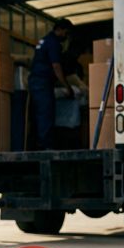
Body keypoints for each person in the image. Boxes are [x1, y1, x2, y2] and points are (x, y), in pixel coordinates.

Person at [28, 19, 74, 150]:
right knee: (45, 114)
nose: (66, 36)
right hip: (42, 83)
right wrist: (67, 87)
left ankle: (38, 146)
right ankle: (46, 148)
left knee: (38, 114)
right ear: (59, 29)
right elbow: (56, 66)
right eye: (66, 33)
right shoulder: (53, 43)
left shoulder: (44, 40)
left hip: (35, 81)